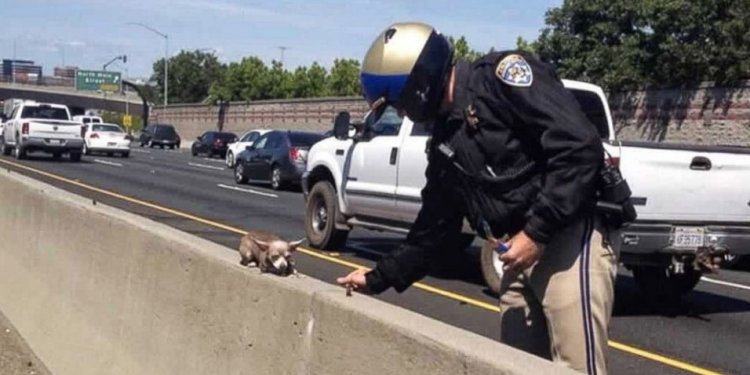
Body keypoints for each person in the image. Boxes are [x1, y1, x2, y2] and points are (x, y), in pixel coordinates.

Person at [336, 22, 619, 375]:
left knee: (576, 369)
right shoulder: (445, 142)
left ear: (418, 84)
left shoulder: (501, 80)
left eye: (399, 103)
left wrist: (536, 233)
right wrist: (377, 278)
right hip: (517, 250)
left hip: (568, 237)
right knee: (516, 365)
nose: (403, 113)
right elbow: (433, 231)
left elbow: (579, 148)